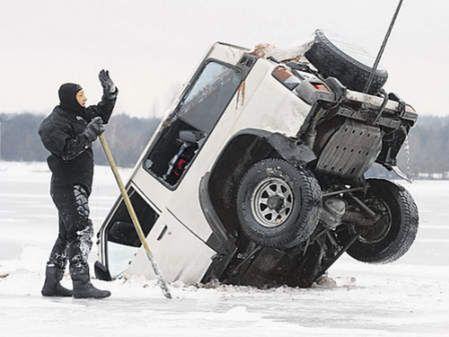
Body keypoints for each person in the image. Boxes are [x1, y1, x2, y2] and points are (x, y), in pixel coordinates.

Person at [39, 70, 118, 299]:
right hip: (67, 186)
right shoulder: (53, 125)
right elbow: (67, 151)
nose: (84, 99)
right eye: (81, 95)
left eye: (84, 94)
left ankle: (51, 283)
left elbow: (101, 114)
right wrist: (89, 134)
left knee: (67, 235)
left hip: (78, 185)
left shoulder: (79, 115)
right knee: (82, 231)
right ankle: (82, 283)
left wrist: (109, 93)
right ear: (69, 98)